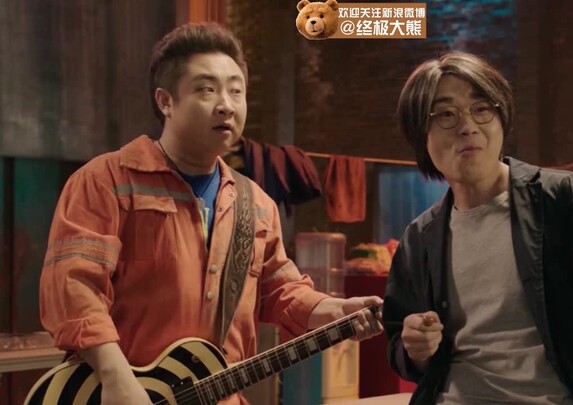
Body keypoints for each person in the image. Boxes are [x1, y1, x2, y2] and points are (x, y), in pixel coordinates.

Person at [38, 22, 382, 405]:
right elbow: (74, 287)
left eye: (236, 91)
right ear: (165, 102)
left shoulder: (256, 205)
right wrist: (116, 378)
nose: (226, 104)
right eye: (206, 89)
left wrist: (336, 309)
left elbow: (280, 290)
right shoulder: (106, 181)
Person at [382, 51, 573, 405]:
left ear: (501, 118)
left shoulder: (566, 202)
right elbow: (399, 340)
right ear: (421, 135)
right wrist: (415, 349)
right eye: (445, 114)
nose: (468, 126)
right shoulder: (419, 239)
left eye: (482, 108)